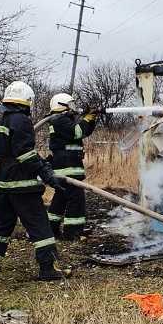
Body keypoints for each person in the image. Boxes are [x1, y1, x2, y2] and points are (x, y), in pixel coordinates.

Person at [0, 81, 67, 280]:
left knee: (2, 225)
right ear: (27, 101)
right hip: (22, 186)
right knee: (39, 225)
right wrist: (47, 174)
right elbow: (25, 154)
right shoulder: (21, 120)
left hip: (3, 184)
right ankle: (47, 268)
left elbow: (10, 152)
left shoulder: (4, 120)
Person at [46, 93, 97, 241]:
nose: (74, 107)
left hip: (65, 165)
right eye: (71, 104)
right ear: (62, 105)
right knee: (76, 199)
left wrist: (91, 119)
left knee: (61, 197)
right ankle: (73, 232)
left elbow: (83, 131)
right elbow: (78, 132)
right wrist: (86, 119)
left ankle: (51, 228)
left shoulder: (60, 120)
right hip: (68, 166)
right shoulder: (60, 119)